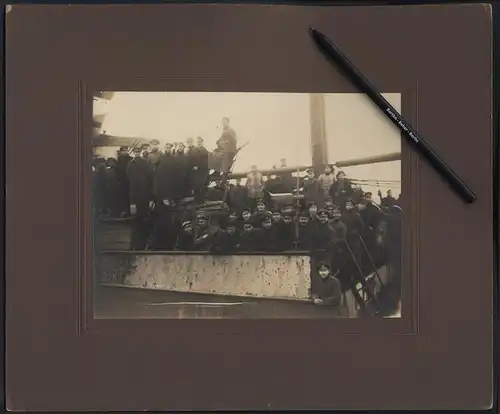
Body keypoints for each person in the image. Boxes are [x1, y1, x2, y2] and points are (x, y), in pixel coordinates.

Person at [126, 147, 153, 218]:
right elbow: (128, 175)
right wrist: (133, 181)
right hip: (134, 187)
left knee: (144, 207)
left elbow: (149, 174)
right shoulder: (131, 163)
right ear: (134, 153)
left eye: (138, 152)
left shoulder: (145, 162)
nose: (137, 153)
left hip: (144, 186)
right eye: (135, 152)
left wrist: (146, 182)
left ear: (140, 152)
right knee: (136, 206)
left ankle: (145, 222)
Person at [115, 146, 132, 217]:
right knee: (123, 196)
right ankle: (124, 211)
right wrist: (118, 180)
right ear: (121, 152)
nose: (125, 152)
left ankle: (129, 211)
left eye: (127, 150)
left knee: (129, 196)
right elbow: (117, 170)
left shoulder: (131, 159)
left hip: (129, 180)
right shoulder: (119, 159)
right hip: (122, 180)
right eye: (124, 151)